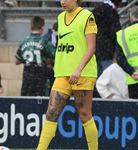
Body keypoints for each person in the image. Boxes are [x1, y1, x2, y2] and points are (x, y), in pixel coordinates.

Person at [36, 0, 98, 149]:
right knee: (51, 112)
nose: (62, 1)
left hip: (83, 73)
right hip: (62, 74)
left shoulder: (87, 16)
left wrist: (79, 68)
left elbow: (91, 47)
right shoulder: (60, 17)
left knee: (84, 115)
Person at [15, 16, 56, 96]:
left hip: (27, 75)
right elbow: (56, 59)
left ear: (30, 27)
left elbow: (17, 61)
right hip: (40, 76)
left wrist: (29, 59)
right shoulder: (44, 41)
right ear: (43, 27)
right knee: (38, 101)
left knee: (26, 100)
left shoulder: (24, 40)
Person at [92, 0, 122, 98]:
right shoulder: (112, 13)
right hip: (106, 51)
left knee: (94, 79)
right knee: (109, 81)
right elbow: (115, 33)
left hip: (93, 50)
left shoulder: (96, 11)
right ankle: (108, 102)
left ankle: (95, 100)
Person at [116, 6, 138, 99]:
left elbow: (120, 59)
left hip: (133, 80)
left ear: (131, 17)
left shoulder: (122, 34)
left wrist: (132, 72)